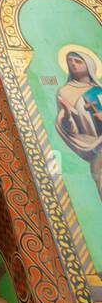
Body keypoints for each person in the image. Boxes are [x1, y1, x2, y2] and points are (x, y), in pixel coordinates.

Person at [54, 48, 102, 201]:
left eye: (78, 61)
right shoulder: (65, 91)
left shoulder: (100, 89)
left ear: (89, 64)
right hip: (97, 146)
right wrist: (68, 115)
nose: (73, 64)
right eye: (70, 61)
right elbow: (70, 129)